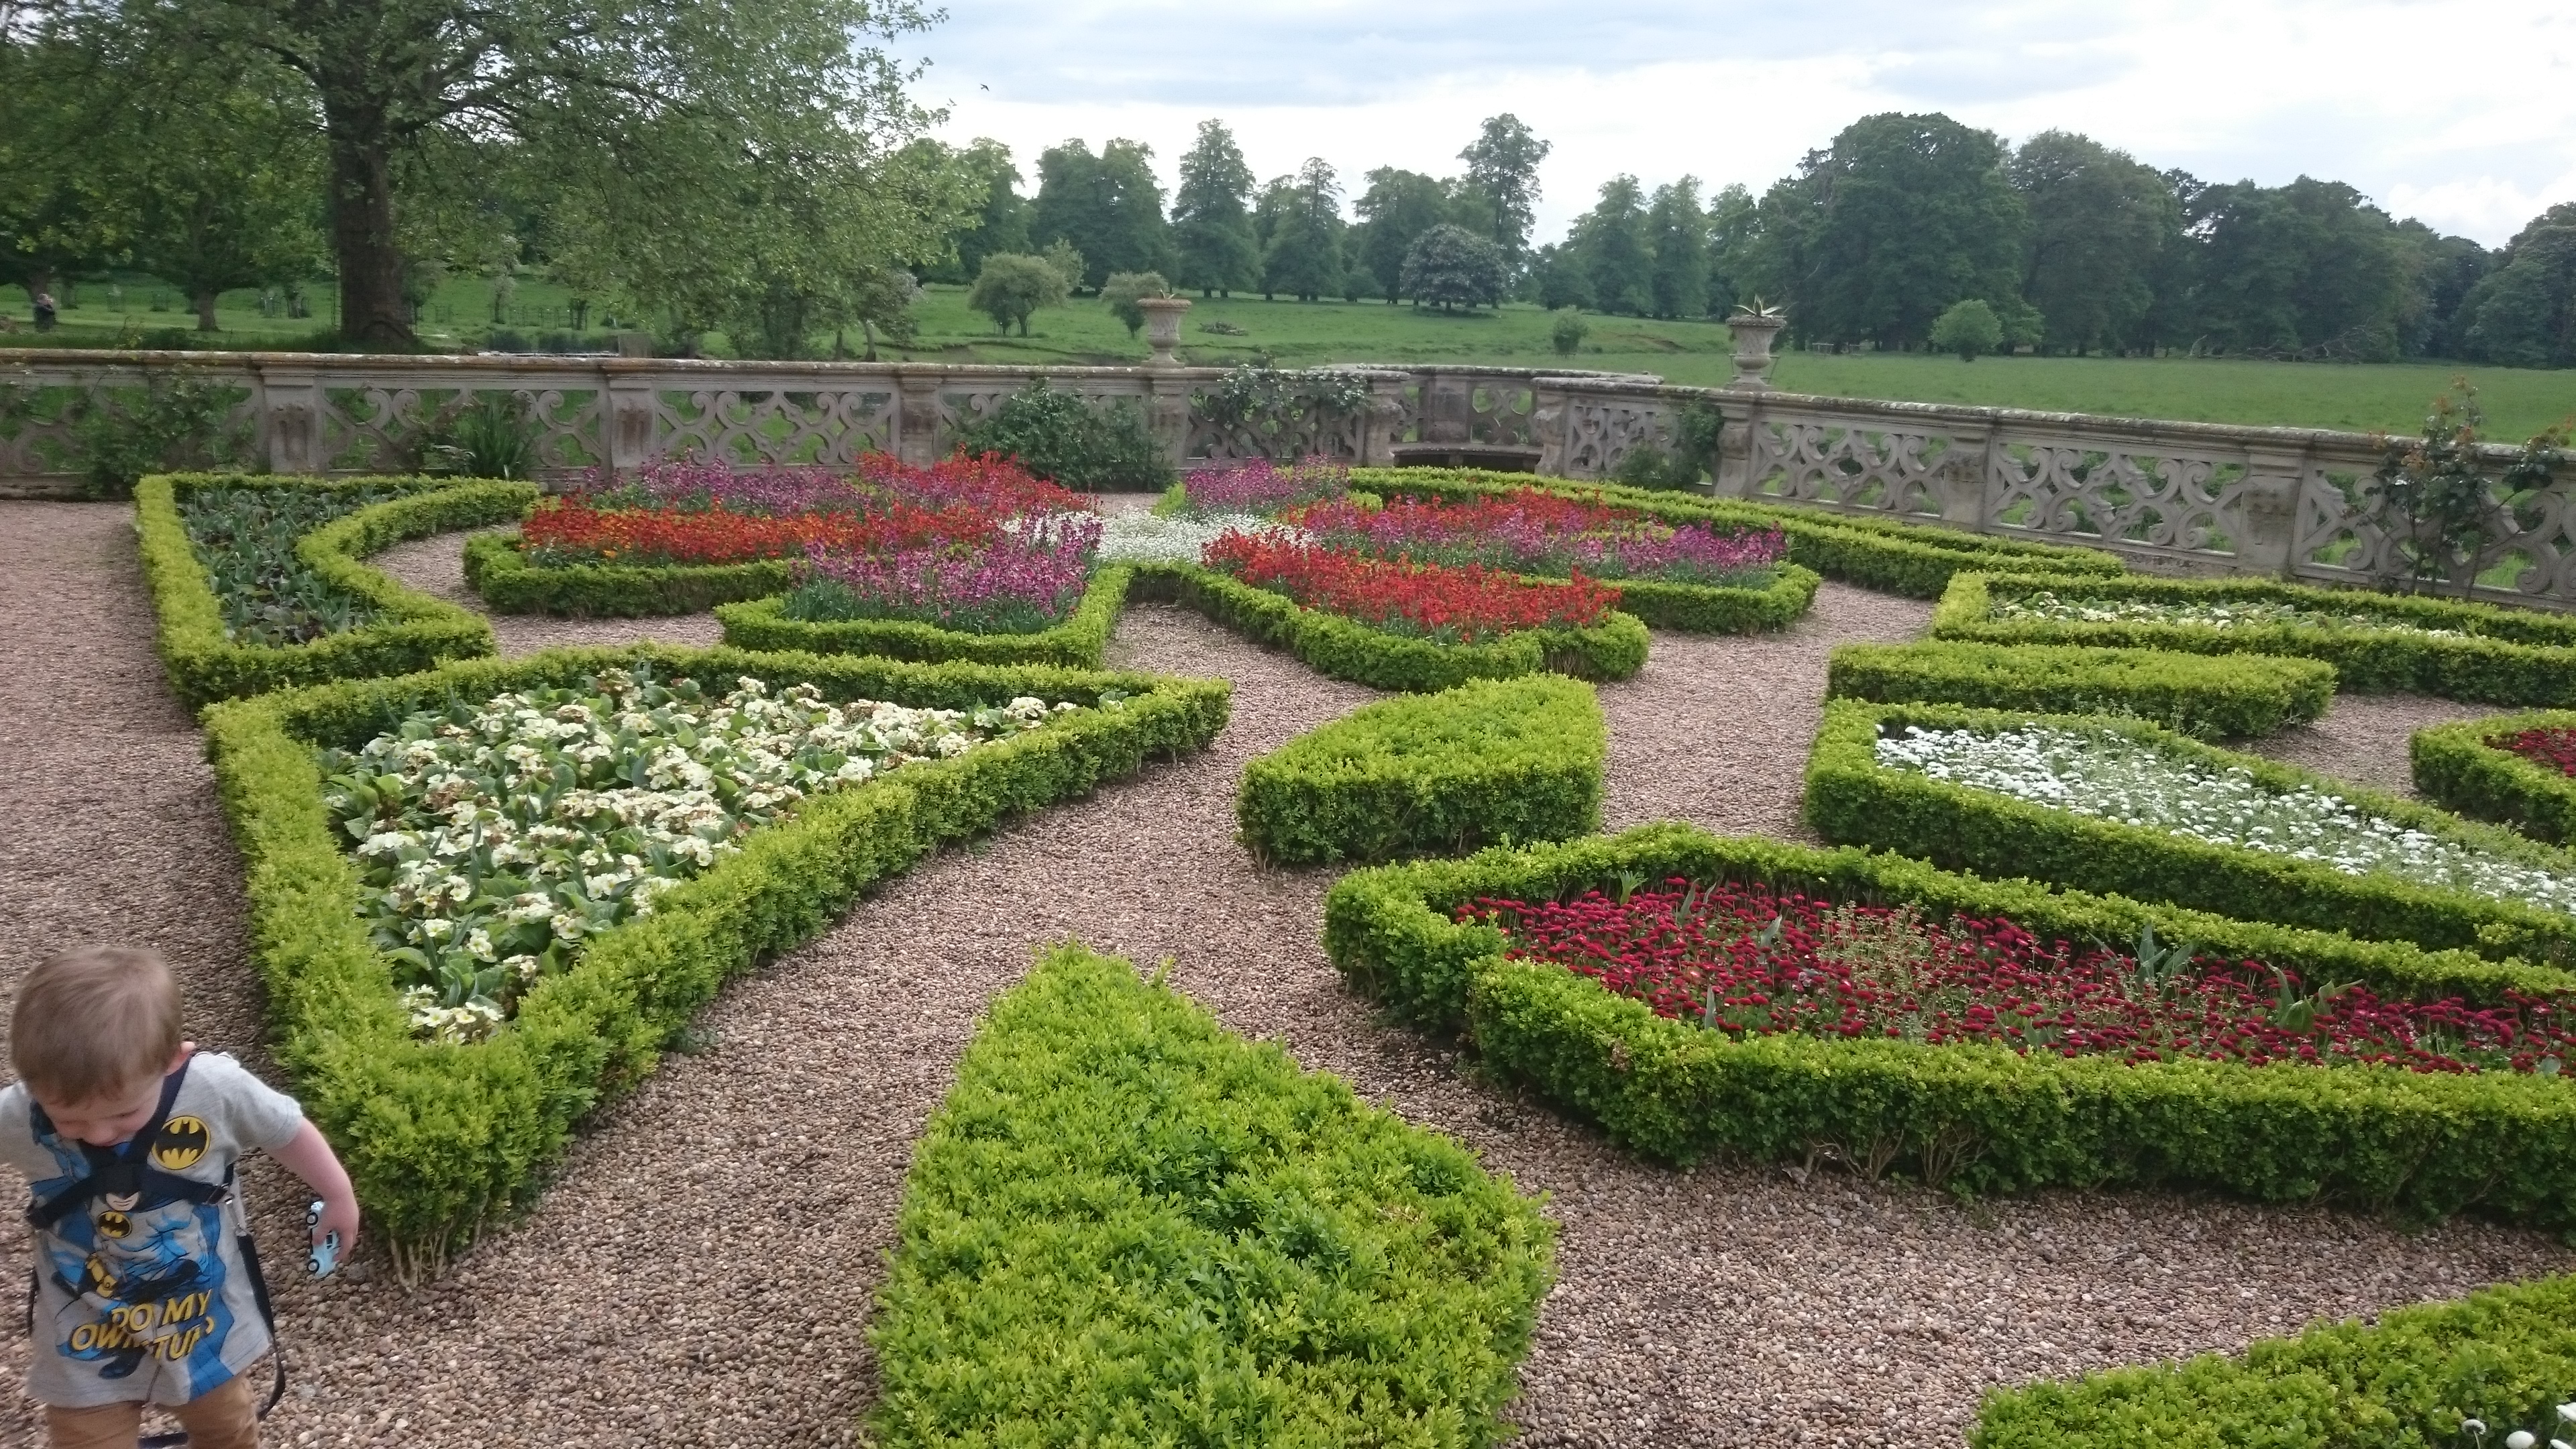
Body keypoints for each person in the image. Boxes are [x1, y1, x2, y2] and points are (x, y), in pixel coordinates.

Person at [2, 947, 359, 1449]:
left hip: (199, 1318)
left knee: (227, 1430)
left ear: (174, 1062)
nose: (100, 1133)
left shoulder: (213, 1089)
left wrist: (338, 1193)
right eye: (71, 1121)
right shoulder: (22, 1112)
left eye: (124, 1115)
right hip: (84, 1324)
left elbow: (286, 1129)